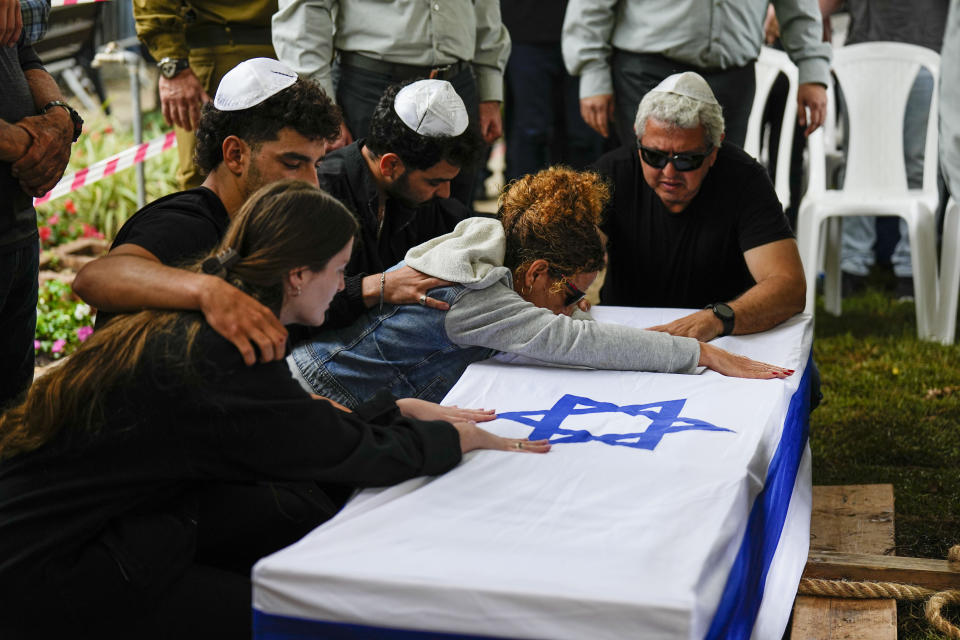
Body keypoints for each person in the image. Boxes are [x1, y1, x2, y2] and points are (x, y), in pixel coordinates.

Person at [0, 180, 547, 640]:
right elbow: (344, 454)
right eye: (338, 270)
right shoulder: (226, 351)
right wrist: (458, 441)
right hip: (52, 565)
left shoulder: (210, 321)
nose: (343, 285)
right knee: (291, 617)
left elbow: (296, 422)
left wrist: (393, 408)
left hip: (73, 526)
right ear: (297, 276)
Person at [289, 167, 794, 410]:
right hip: (324, 394)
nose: (577, 308)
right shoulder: (480, 294)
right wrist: (697, 352)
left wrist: (568, 304)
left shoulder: (488, 238)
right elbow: (579, 343)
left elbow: (568, 325)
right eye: (571, 293)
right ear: (534, 275)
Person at [73, 58, 342, 366]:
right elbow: (94, 278)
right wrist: (208, 290)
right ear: (235, 154)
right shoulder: (184, 222)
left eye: (316, 165)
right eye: (293, 164)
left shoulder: (257, 225)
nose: (313, 183)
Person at [592, 71, 806, 342]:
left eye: (686, 160)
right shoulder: (612, 173)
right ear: (638, 139)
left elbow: (789, 286)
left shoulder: (744, 179)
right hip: (631, 334)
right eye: (654, 155)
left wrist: (718, 319)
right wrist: (570, 290)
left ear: (714, 150)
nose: (669, 171)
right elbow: (568, 260)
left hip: (723, 337)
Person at [271, 0, 510, 206]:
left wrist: (489, 89)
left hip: (458, 82)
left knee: (452, 216)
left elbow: (486, 6)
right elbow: (305, 12)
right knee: (364, 220)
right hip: (369, 86)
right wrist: (322, 108)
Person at [318, 79, 486, 328]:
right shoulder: (322, 193)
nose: (445, 193)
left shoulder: (418, 196)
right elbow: (294, 300)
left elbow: (470, 224)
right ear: (391, 165)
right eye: (434, 182)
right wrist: (379, 286)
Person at [562, 0, 831, 147]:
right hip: (647, 73)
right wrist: (592, 71)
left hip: (732, 77)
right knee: (650, 186)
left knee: (722, 187)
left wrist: (812, 69)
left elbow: (799, 5)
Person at [824, 0, 949, 300]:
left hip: (927, 53)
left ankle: (911, 270)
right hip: (861, 54)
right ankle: (853, 265)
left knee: (920, 165)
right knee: (859, 164)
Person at [1, 0, 79, 409]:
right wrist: (26, 142)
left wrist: (58, 118)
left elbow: (22, 49)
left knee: (13, 406)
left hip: (15, 226)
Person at [133, 0, 278, 189]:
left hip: (286, 50)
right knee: (207, 182)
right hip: (216, 52)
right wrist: (174, 65)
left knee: (287, 180)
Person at [501, 0, 604, 182]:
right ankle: (522, 205)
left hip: (585, 30)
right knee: (530, 132)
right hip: (524, 31)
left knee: (584, 133)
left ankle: (583, 204)